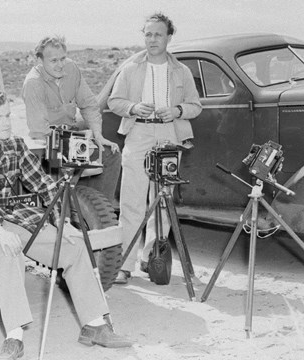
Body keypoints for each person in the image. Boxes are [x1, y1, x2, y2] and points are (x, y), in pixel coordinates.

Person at [0, 89, 133, 360]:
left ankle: (94, 325)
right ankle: (15, 338)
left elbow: (44, 184)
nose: (6, 123)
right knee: (8, 254)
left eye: (8, 116)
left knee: (74, 247)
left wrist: (62, 222)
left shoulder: (15, 145)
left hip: (14, 219)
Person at [108, 13, 202, 284]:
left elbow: (195, 106)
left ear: (169, 37)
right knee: (130, 202)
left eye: (158, 34)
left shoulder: (182, 71)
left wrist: (176, 110)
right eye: (147, 34)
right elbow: (115, 101)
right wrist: (134, 108)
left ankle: (151, 259)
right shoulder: (131, 68)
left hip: (169, 135)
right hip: (138, 133)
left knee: (161, 202)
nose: (152, 39)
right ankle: (124, 266)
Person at [22, 36, 121, 206]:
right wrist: (79, 139)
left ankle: (99, 207)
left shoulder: (71, 69)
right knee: (60, 175)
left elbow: (89, 105)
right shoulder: (33, 84)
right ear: (39, 60)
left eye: (62, 58)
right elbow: (40, 130)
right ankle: (65, 212)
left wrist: (97, 135)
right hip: (46, 142)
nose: (60, 65)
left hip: (71, 134)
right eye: (53, 60)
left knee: (111, 154)